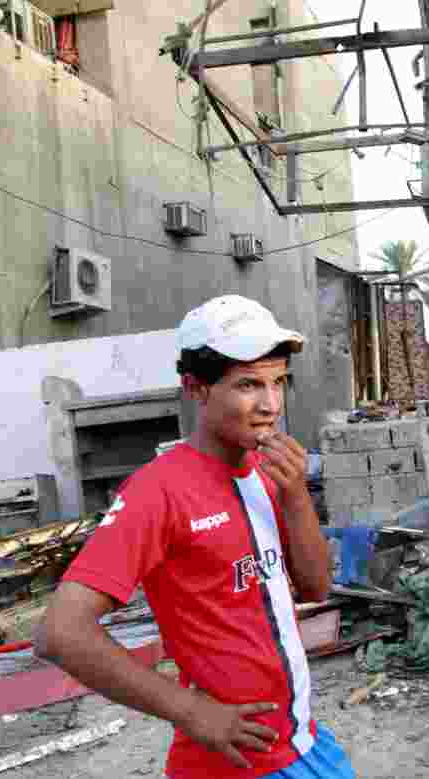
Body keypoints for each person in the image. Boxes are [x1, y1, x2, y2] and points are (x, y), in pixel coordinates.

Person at [36, 295, 354, 779]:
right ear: (195, 387)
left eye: (278, 383)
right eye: (248, 385)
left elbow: (314, 588)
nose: (270, 405)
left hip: (299, 739)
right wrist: (192, 711)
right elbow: (60, 633)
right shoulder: (158, 491)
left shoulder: (267, 474)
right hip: (236, 765)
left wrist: (295, 496)